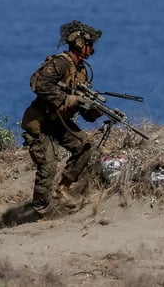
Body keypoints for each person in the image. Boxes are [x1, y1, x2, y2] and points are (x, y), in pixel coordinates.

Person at [20, 20, 112, 219]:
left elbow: (82, 109)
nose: (92, 50)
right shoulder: (61, 63)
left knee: (85, 147)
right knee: (48, 165)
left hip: (59, 123)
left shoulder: (81, 70)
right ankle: (40, 212)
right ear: (80, 44)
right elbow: (40, 85)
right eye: (90, 45)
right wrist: (67, 99)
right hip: (42, 123)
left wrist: (95, 110)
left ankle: (62, 188)